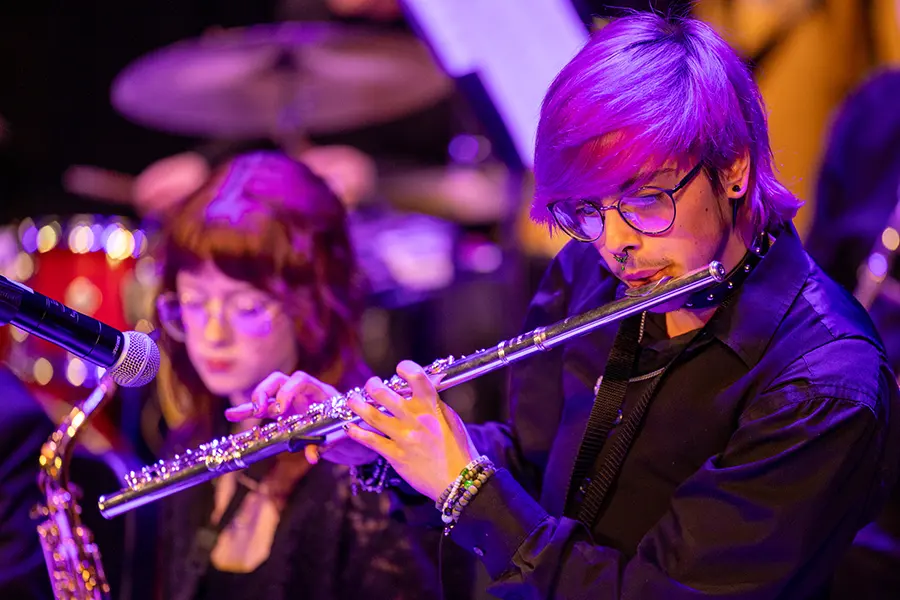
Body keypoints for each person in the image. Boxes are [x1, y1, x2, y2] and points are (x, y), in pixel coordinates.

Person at [234, 13, 900, 599]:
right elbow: (535, 467)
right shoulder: (589, 270)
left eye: (644, 199)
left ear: (734, 169)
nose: (615, 244)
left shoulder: (822, 388)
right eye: (587, 211)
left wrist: (468, 489)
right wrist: (386, 443)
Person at [153, 150, 463, 600]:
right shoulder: (191, 440)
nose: (213, 335)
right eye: (195, 303)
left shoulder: (364, 473)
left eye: (247, 306)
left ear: (312, 307)